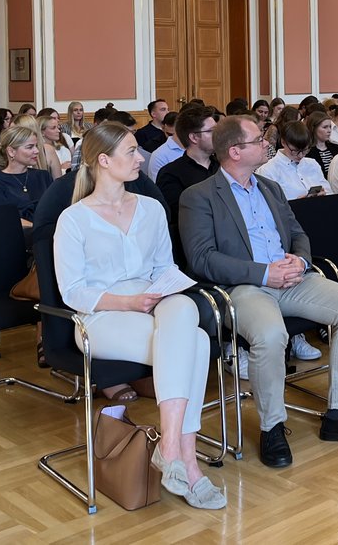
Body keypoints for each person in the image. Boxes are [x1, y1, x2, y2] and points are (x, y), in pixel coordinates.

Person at [180, 115, 338, 468]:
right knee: (270, 333)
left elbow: (298, 234)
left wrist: (301, 261)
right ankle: (272, 426)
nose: (267, 143)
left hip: (293, 279)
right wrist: (265, 273)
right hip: (245, 287)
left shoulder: (270, 188)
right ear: (234, 151)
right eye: (258, 140)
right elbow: (203, 259)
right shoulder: (199, 196)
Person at [53, 123, 224, 509]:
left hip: (152, 306)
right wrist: (127, 302)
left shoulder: (150, 208)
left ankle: (171, 447)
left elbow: (164, 266)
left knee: (184, 311)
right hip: (98, 317)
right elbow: (73, 291)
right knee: (195, 342)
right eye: (130, 151)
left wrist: (162, 290)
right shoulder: (74, 219)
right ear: (103, 160)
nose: (141, 158)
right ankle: (186, 458)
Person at [156, 104, 219, 269]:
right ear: (194, 137)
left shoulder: (223, 167)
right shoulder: (171, 174)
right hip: (197, 250)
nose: (218, 135)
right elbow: (181, 218)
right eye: (211, 131)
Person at [0, 125, 52, 228]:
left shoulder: (43, 176)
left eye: (36, 146)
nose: (36, 151)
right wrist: (37, 228)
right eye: (30, 147)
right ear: (11, 151)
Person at [256, 121, 331, 200]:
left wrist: (324, 194)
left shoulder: (312, 164)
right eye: (295, 151)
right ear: (283, 142)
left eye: (305, 150)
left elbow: (330, 192)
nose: (300, 155)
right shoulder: (268, 171)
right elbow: (270, 205)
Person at [37, 108, 74, 172]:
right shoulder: (35, 151)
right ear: (42, 132)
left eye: (58, 127)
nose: (58, 131)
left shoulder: (63, 149)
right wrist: (60, 167)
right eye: (53, 128)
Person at [304, 111, 338, 176]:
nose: (329, 130)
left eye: (330, 127)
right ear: (313, 128)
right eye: (325, 127)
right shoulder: (307, 152)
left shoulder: (336, 148)